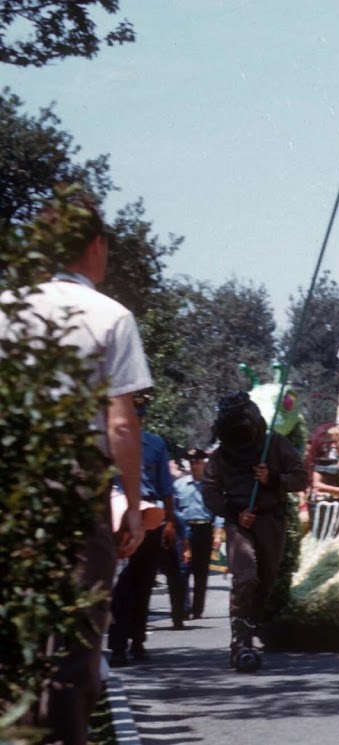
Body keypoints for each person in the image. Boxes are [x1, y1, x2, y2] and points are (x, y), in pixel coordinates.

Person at [3, 193, 150, 744]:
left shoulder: (5, 308)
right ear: (95, 246)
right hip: (74, 484)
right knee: (75, 644)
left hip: (13, 485)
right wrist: (133, 507)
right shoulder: (111, 316)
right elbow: (120, 424)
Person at [202, 391, 307, 670]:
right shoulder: (221, 455)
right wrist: (234, 512)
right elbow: (210, 491)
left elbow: (301, 478)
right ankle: (240, 642)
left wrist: (272, 478)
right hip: (239, 523)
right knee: (246, 576)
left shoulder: (275, 444)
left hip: (272, 521)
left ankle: (251, 628)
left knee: (267, 580)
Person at [108, 395, 185, 665]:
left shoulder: (155, 444)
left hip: (151, 519)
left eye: (140, 416)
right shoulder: (110, 442)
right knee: (121, 586)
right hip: (120, 520)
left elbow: (165, 487)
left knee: (143, 584)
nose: (136, 420)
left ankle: (138, 643)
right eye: (133, 415)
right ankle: (117, 647)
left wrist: (171, 522)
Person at [173, 447, 223, 620]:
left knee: (201, 572)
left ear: (204, 464)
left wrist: (217, 534)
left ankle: (198, 608)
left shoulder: (211, 486)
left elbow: (218, 510)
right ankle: (184, 607)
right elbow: (174, 508)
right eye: (192, 462)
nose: (195, 466)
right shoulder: (179, 485)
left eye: (198, 462)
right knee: (183, 569)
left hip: (204, 529)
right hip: (185, 530)